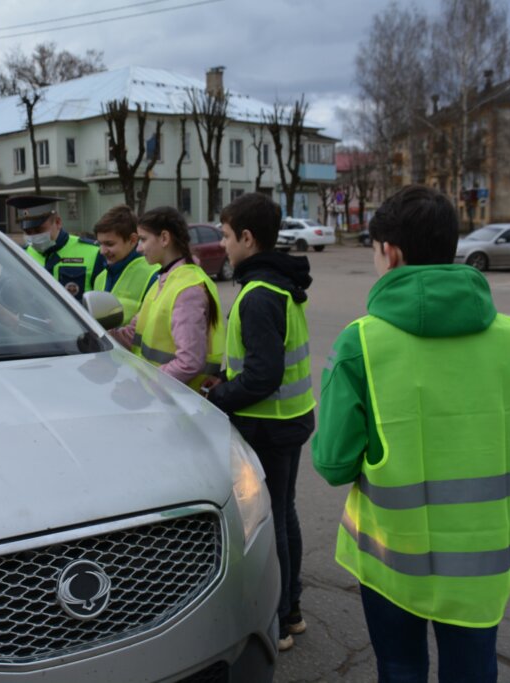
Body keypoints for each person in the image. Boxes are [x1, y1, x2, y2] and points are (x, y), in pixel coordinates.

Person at [312, 185, 510, 682]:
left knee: (400, 667)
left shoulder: (361, 342)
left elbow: (333, 463)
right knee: (473, 670)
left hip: (391, 558)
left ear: (390, 252)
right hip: (484, 561)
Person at [204, 192, 315, 652]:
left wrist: (218, 396)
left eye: (227, 237)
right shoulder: (276, 283)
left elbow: (263, 375)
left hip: (268, 424)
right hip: (287, 420)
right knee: (284, 514)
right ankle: (292, 610)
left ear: (248, 238)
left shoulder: (259, 295)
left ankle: (283, 618)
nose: (224, 246)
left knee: (272, 522)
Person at [111, 206, 223, 391]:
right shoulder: (166, 279)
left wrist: (147, 382)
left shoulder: (187, 289)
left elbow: (190, 361)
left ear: (164, 238)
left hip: (177, 401)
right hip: (163, 397)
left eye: (143, 239)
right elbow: (134, 333)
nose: (139, 248)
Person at [6, 194, 103, 299]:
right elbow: (3, 299)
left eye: (39, 230)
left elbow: (103, 300)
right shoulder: (19, 256)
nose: (34, 236)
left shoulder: (93, 252)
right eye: (28, 232)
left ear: (58, 222)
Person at [91, 204, 160, 325]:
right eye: (99, 243)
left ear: (133, 240)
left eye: (109, 244)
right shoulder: (100, 278)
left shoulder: (154, 275)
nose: (102, 251)